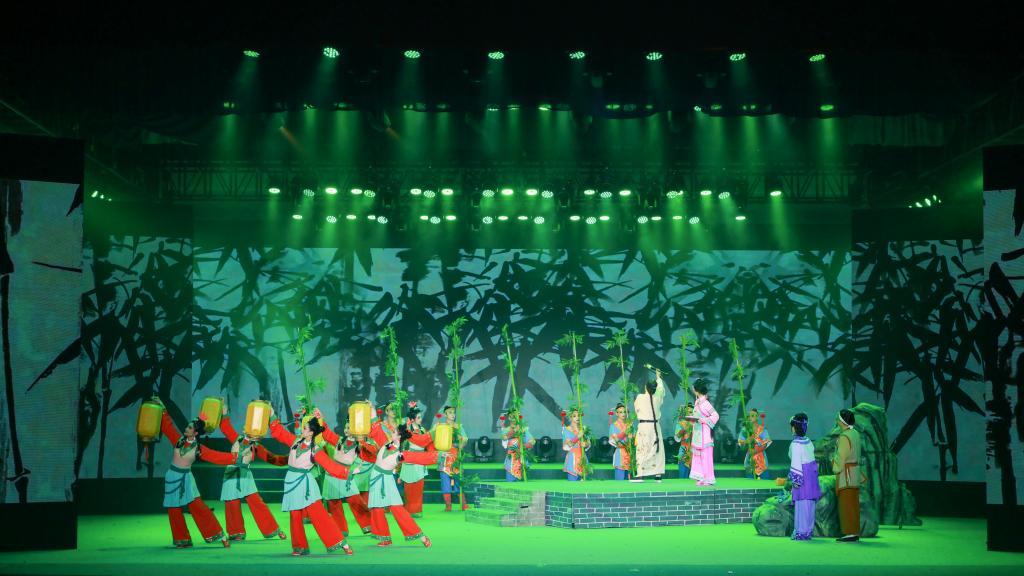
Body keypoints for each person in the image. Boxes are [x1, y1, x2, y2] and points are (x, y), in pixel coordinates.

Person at [267, 408, 355, 556]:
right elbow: (279, 433)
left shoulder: (315, 450)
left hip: (305, 484)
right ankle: (299, 546)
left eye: (305, 428)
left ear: (311, 433)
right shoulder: (295, 441)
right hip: (291, 481)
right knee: (295, 515)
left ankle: (341, 543)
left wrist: (348, 473)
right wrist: (271, 415)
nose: (302, 429)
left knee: (319, 514)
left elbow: (330, 466)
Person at [153, 398, 234, 548]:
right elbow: (167, 427)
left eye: (189, 427)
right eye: (187, 426)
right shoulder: (178, 440)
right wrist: (162, 408)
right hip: (172, 476)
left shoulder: (198, 449)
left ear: (195, 432)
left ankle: (218, 534)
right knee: (173, 508)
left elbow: (217, 457)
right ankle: (182, 539)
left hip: (186, 478)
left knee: (197, 506)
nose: (186, 428)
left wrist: (237, 457)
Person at [219, 406, 289, 542]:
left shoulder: (255, 447)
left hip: (245, 475)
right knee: (232, 503)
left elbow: (273, 459)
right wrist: (224, 412)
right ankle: (236, 532)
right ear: (244, 429)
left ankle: (272, 529)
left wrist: (290, 458)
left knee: (256, 502)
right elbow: (225, 427)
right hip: (232, 473)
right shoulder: (236, 438)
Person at [367, 424, 443, 548]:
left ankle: (422, 536)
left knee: (397, 509)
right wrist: (372, 415)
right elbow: (377, 430)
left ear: (399, 436)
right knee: (376, 508)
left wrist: (439, 456)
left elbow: (419, 457)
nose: (391, 433)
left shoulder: (401, 454)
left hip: (386, 480)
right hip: (375, 478)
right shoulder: (387, 443)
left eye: (394, 432)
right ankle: (385, 538)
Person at [316, 413, 373, 538]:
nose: (347, 430)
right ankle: (341, 529)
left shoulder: (360, 445)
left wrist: (363, 439)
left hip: (345, 474)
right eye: (346, 427)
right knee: (333, 502)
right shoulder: (339, 440)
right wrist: (321, 418)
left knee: (355, 499)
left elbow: (371, 453)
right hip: (332, 473)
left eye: (349, 428)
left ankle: (368, 524)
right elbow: (326, 433)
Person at [777, 412, 820, 540]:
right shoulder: (808, 441)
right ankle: (808, 530)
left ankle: (801, 532)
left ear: (794, 427)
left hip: (802, 475)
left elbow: (795, 462)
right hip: (811, 475)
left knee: (802, 504)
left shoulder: (796, 444)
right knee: (810, 504)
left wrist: (796, 481)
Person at [832, 408, 863, 542]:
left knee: (846, 504)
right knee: (853, 503)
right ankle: (854, 530)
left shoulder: (845, 436)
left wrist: (835, 465)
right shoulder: (855, 433)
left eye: (838, 418)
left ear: (842, 421)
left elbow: (841, 456)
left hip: (847, 475)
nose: (836, 420)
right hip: (855, 473)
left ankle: (849, 532)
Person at [433, 405, 469, 511]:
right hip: (444, 456)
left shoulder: (459, 426)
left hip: (455, 456)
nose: (453, 415)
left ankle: (463, 504)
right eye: (450, 412)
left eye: (453, 412)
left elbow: (465, 439)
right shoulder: (440, 426)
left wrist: (462, 441)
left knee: (458, 480)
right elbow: (433, 437)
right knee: (445, 481)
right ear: (445, 414)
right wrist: (435, 429)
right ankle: (448, 505)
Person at [632, 368, 666, 482]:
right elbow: (661, 390)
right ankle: (658, 474)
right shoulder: (658, 398)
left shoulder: (640, 398)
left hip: (644, 426)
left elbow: (637, 409)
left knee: (642, 448)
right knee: (657, 449)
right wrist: (658, 377)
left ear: (646, 388)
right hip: (655, 426)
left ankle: (640, 474)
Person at [398, 405, 428, 517]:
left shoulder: (422, 430)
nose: (420, 419)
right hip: (409, 459)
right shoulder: (407, 431)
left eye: (420, 417)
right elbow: (402, 445)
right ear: (412, 419)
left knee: (419, 486)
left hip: (420, 459)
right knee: (409, 486)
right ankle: (408, 510)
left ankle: (417, 510)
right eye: (418, 417)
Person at [688, 380, 720, 486]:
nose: (693, 389)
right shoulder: (697, 402)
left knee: (706, 457)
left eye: (693, 388)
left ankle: (708, 479)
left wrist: (703, 420)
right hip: (698, 432)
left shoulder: (705, 403)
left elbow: (716, 416)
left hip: (705, 434)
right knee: (698, 456)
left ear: (697, 390)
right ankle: (700, 477)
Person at [737, 408, 772, 480]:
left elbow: (765, 444)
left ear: (757, 417)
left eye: (753, 415)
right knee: (750, 482)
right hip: (749, 461)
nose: (751, 417)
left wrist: (755, 451)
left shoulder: (762, 429)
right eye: (749, 416)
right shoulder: (744, 430)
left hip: (761, 461)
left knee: (764, 482)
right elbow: (742, 447)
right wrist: (746, 442)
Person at [501, 411, 535, 482]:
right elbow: (504, 438)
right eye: (511, 416)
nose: (513, 417)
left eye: (515, 415)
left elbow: (532, 440)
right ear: (509, 417)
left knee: (522, 481)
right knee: (510, 481)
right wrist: (514, 431)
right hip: (511, 459)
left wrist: (525, 446)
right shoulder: (506, 429)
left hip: (521, 457)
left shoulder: (523, 429)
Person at [562, 407, 590, 481]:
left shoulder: (583, 429)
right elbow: (569, 444)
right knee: (573, 482)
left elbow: (588, 442)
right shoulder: (567, 429)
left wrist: (586, 444)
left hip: (583, 456)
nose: (577, 418)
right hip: (573, 457)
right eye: (574, 416)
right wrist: (578, 436)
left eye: (579, 416)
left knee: (584, 482)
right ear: (570, 417)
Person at [608, 404, 633, 480]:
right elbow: (617, 442)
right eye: (621, 412)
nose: (623, 414)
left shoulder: (630, 425)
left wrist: (632, 437)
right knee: (620, 481)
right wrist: (625, 432)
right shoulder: (613, 426)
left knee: (629, 480)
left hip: (630, 454)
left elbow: (634, 440)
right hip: (620, 455)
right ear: (617, 413)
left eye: (625, 412)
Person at [673, 403, 694, 479]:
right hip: (684, 449)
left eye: (692, 412)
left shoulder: (697, 424)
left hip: (695, 450)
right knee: (683, 474)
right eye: (689, 412)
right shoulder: (681, 423)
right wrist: (682, 430)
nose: (691, 414)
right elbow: (677, 439)